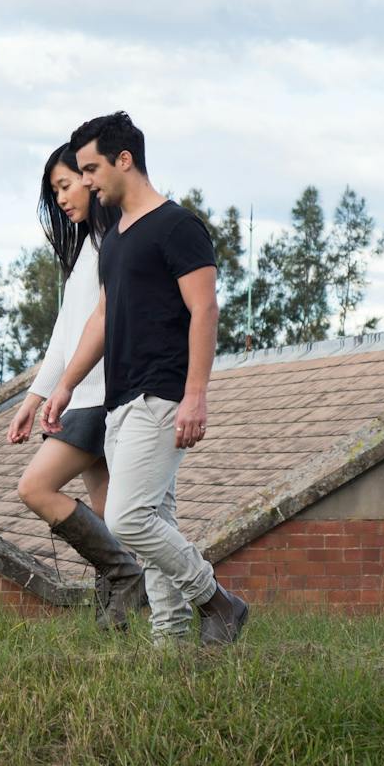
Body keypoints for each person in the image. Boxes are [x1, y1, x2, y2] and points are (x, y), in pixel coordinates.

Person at [42, 112, 250, 646]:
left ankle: (218, 602)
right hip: (119, 399)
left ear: (124, 160)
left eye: (91, 169)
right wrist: (66, 385)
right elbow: (102, 318)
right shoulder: (115, 239)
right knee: (156, 521)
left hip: (162, 393)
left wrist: (195, 395)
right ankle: (171, 643)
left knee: (129, 519)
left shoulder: (178, 227)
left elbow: (204, 310)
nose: (86, 181)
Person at [6, 144, 145, 629]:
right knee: (110, 515)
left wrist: (61, 391)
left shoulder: (113, 243)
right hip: (80, 396)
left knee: (36, 487)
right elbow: (66, 333)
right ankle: (118, 621)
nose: (63, 198)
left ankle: (126, 576)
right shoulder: (87, 248)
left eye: (67, 184)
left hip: (96, 396)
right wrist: (34, 398)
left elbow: (104, 326)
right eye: (56, 191)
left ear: (91, 178)